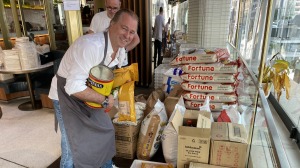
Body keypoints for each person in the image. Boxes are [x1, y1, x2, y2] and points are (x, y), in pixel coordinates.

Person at [48, 9, 139, 168]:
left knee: (105, 131)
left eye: (132, 32)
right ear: (112, 24)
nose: (127, 35)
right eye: (124, 28)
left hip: (88, 91)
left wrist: (113, 94)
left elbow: (108, 76)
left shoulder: (120, 50)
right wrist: (104, 100)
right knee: (72, 144)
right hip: (65, 93)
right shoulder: (91, 46)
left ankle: (106, 165)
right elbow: (73, 86)